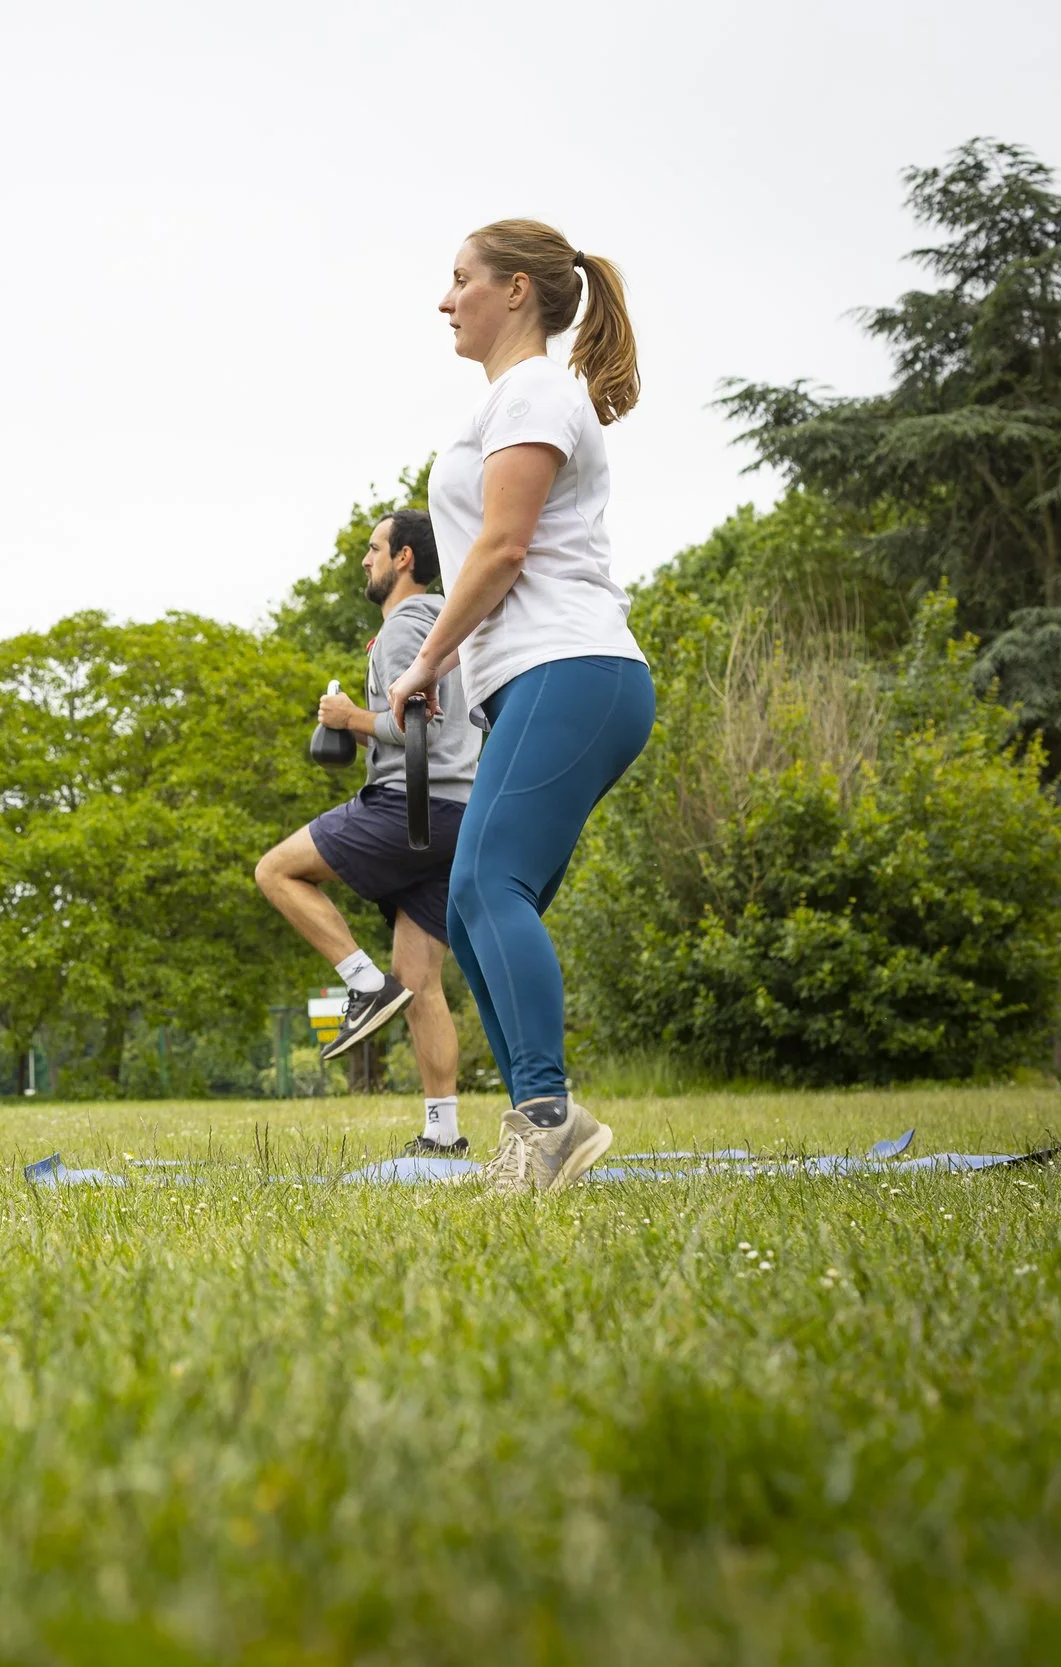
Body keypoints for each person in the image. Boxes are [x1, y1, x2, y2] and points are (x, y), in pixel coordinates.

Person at [386, 220, 654, 1194]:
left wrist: (426, 662)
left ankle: (548, 1118)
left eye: (460, 278)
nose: (444, 299)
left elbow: (503, 547)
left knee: (487, 884)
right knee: (473, 903)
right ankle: (536, 1127)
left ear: (515, 290)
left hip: (571, 667)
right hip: (543, 678)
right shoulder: (511, 398)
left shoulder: (536, 389)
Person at [254, 510, 479, 1155]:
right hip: (459, 814)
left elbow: (421, 725)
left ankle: (361, 982)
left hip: (411, 806)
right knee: (421, 983)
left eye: (374, 548)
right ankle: (443, 1135)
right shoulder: (449, 623)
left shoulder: (406, 626)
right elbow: (429, 724)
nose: (365, 559)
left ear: (404, 557)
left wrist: (349, 717)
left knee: (276, 870)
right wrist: (360, 725)